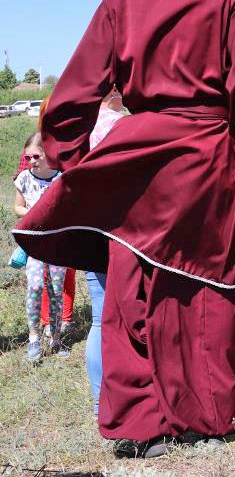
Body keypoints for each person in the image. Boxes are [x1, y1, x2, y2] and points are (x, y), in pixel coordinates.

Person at [12, 0, 235, 459]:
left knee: (135, 284)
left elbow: (74, 91)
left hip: (139, 157)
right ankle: (207, 415)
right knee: (205, 281)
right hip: (206, 155)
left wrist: (77, 160)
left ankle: (139, 425)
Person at [82, 87, 125, 417]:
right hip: (120, 228)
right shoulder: (119, 124)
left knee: (99, 318)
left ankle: (101, 402)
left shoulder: (80, 127)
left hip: (86, 226)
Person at [13, 132, 67, 362]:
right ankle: (34, 338)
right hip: (34, 244)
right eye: (28, 158)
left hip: (56, 244)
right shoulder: (24, 178)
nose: (32, 161)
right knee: (34, 288)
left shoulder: (61, 179)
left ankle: (55, 338)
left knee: (56, 289)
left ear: (48, 155)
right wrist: (35, 214)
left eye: (36, 156)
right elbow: (17, 207)